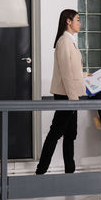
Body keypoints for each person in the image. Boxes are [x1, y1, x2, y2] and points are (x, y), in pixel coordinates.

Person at [35, 9, 88, 175]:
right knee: (56, 133)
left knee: (70, 134)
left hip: (71, 94)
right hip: (67, 95)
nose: (80, 23)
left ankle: (69, 171)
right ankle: (41, 170)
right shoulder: (64, 42)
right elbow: (65, 72)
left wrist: (87, 75)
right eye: (78, 20)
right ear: (68, 21)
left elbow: (72, 70)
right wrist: (73, 99)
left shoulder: (69, 41)